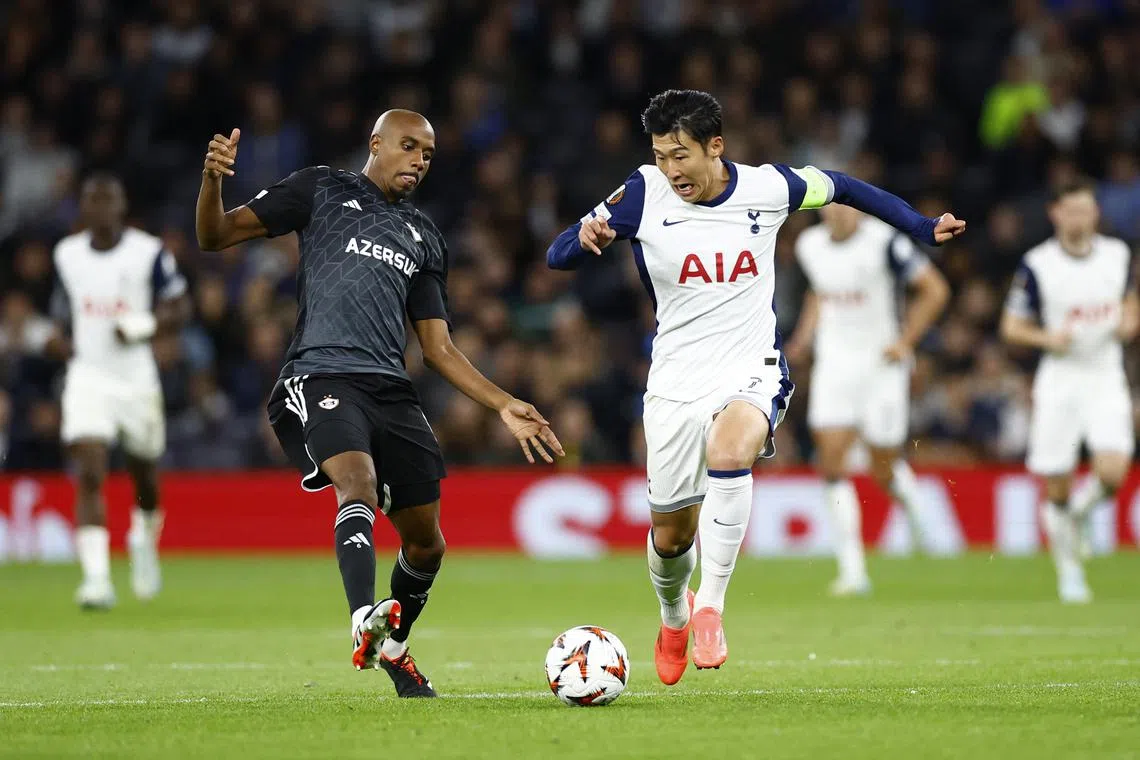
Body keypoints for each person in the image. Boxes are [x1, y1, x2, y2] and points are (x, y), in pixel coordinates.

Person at [547, 89, 964, 685]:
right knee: (670, 536)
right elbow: (557, 252)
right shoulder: (642, 191)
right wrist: (584, 241)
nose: (672, 169)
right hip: (674, 379)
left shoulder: (769, 188)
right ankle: (674, 614)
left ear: (716, 146)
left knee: (732, 450)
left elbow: (844, 186)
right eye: (662, 155)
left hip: (750, 365)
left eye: (682, 155)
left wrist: (921, 227)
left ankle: (712, 605)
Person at [195, 110, 563, 698]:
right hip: (321, 374)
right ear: (376, 144)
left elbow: (438, 348)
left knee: (427, 544)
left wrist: (503, 402)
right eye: (410, 146)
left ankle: (394, 647)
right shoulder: (321, 188)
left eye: (428, 154)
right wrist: (213, 180)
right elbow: (214, 236)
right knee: (357, 485)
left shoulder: (423, 235)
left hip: (391, 389)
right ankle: (362, 617)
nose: (419, 159)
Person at [786, 202, 950, 596]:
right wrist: (804, 338)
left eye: (846, 207)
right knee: (831, 462)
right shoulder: (809, 244)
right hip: (835, 365)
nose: (839, 215)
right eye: (831, 208)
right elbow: (820, 293)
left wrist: (906, 341)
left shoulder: (886, 242)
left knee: (882, 468)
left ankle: (914, 512)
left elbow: (935, 290)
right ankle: (853, 570)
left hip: (881, 365)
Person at [53, 173, 189, 609]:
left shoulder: (147, 251)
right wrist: (55, 338)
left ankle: (143, 540)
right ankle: (96, 580)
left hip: (135, 378)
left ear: (122, 205)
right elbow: (63, 308)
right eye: (93, 200)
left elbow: (180, 305)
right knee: (90, 469)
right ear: (83, 208)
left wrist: (144, 325)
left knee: (144, 475)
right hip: (88, 375)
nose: (101, 208)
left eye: (109, 199)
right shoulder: (67, 255)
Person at [1000, 179, 1137, 604]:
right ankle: (1069, 575)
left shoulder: (1118, 255)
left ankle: (1078, 515)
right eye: (1071, 210)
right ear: (1055, 213)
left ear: (1096, 212)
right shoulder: (1038, 264)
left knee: (1112, 473)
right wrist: (1047, 340)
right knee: (1055, 486)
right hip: (1060, 378)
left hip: (1104, 373)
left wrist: (1130, 320)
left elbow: (1131, 298)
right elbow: (1012, 326)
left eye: (1086, 210)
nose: (1080, 218)